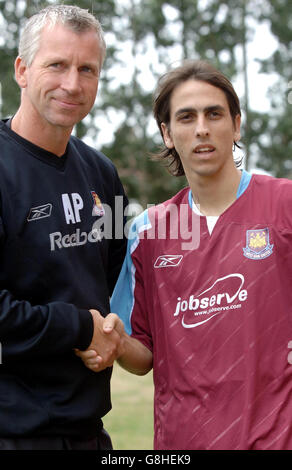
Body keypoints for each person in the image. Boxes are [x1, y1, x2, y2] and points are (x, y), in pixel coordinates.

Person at [78, 60, 292, 450]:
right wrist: (113, 340)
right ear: (168, 133)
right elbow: (142, 354)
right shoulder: (148, 230)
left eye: (214, 113)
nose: (202, 128)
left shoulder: (284, 204)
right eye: (186, 117)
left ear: (237, 124)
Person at [0, 5, 128, 450]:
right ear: (22, 69)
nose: (72, 84)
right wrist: (77, 329)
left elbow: (111, 289)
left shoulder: (102, 174)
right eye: (57, 64)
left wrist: (106, 333)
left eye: (87, 69)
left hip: (90, 433)